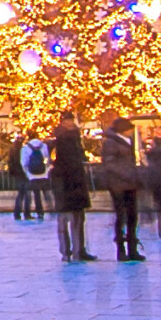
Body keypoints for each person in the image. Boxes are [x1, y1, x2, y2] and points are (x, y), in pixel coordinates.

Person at [51, 112, 96, 262]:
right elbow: (72, 162)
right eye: (67, 120)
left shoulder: (63, 138)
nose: (70, 123)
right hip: (70, 183)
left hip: (65, 184)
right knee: (73, 219)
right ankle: (75, 251)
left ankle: (71, 251)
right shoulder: (67, 140)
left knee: (70, 219)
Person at [101, 118, 144, 262]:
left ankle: (132, 248)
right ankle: (121, 250)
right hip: (118, 185)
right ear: (124, 130)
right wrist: (127, 174)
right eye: (130, 129)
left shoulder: (126, 141)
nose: (132, 132)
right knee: (121, 216)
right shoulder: (111, 143)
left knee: (133, 215)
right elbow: (109, 164)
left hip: (130, 183)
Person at [16, 130, 51, 221]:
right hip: (43, 174)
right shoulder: (44, 146)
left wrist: (27, 172)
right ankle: (46, 209)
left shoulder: (25, 148)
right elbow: (47, 159)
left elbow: (24, 163)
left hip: (31, 175)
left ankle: (35, 212)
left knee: (35, 194)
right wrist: (46, 170)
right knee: (45, 192)